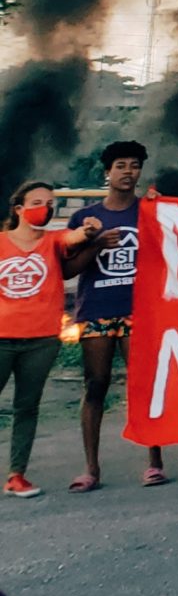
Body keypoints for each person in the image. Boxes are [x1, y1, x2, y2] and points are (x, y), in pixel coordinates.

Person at [63, 139, 164, 492]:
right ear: (107, 172)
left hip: (139, 311)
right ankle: (91, 468)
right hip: (97, 311)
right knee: (96, 385)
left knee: (143, 385)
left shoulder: (151, 211)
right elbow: (67, 270)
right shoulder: (84, 218)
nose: (128, 171)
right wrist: (95, 245)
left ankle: (154, 462)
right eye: (120, 165)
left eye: (134, 165)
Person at [2, 182, 78, 499]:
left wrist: (91, 228)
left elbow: (76, 237)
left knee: (27, 407)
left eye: (50, 203)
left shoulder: (53, 241)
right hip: (2, 338)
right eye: (37, 202)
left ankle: (17, 475)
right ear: (19, 208)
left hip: (41, 340)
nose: (45, 208)